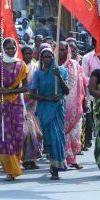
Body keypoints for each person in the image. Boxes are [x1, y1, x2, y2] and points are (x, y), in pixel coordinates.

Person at [0, 38, 29, 181]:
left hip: (17, 104)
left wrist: (8, 92)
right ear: (3, 49)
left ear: (16, 48)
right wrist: (0, 101)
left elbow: (26, 87)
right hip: (2, 104)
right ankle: (10, 169)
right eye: (7, 48)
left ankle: (16, 161)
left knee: (18, 135)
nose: (10, 50)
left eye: (12, 48)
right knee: (4, 136)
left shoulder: (22, 65)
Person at [31, 46, 69, 180]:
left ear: (53, 57)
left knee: (57, 137)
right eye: (45, 57)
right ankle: (53, 161)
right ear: (41, 59)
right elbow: (32, 94)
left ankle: (55, 166)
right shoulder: (38, 74)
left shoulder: (62, 71)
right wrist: (47, 98)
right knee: (49, 138)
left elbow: (67, 91)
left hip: (57, 108)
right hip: (44, 108)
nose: (47, 59)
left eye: (50, 56)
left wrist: (59, 77)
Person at [58, 41, 87, 169]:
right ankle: (63, 158)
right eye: (59, 49)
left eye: (64, 49)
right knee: (61, 133)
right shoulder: (53, 65)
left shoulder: (75, 65)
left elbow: (82, 83)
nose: (61, 52)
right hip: (59, 104)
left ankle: (73, 159)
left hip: (75, 105)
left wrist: (85, 100)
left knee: (75, 134)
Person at [82, 35, 100, 150]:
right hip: (91, 94)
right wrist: (94, 83)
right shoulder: (87, 57)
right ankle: (87, 141)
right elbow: (84, 76)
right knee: (90, 121)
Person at [21, 45, 42, 170]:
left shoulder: (36, 67)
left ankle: (33, 159)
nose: (27, 56)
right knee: (26, 133)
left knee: (37, 133)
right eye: (25, 53)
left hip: (35, 104)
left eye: (30, 53)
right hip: (21, 104)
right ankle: (24, 159)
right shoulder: (18, 67)